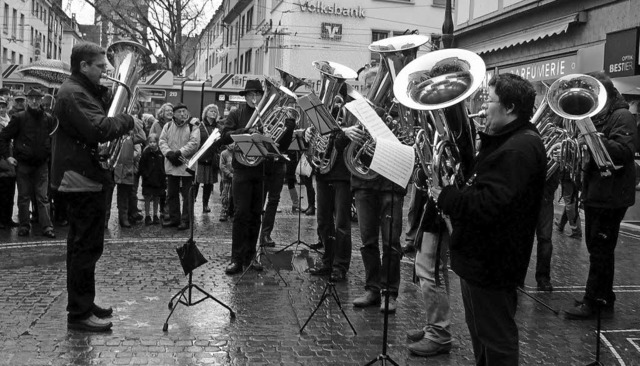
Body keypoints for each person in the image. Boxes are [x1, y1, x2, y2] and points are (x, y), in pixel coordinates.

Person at [433, 73, 546, 364]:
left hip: (493, 263)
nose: (483, 107)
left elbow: (489, 204)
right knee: (482, 336)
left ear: (509, 107)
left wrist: (447, 196)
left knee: (496, 341)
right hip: (479, 260)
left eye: (489, 99)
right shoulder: (506, 141)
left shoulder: (519, 148)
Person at [52, 42, 134, 332]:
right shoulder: (73, 93)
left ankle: (84, 304)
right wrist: (126, 119)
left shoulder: (80, 90)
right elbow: (98, 129)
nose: (105, 71)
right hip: (80, 179)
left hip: (85, 177)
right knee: (84, 249)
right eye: (100, 66)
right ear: (83, 66)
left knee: (85, 247)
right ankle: (79, 313)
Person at [564, 71, 637, 320]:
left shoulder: (622, 116)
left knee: (600, 249)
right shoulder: (604, 116)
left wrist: (595, 138)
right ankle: (604, 295)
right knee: (599, 247)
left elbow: (625, 151)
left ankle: (592, 301)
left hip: (611, 195)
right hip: (599, 192)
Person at [218, 79, 295, 274]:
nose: (254, 98)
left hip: (262, 172)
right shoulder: (236, 113)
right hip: (242, 171)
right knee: (240, 214)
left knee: (255, 215)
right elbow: (225, 135)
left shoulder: (269, 114)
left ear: (262, 96)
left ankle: (251, 256)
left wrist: (288, 127)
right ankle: (236, 258)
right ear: (245, 97)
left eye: (257, 94)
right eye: (250, 95)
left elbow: (281, 146)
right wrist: (247, 131)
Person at [307, 92, 353, 282]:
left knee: (342, 223)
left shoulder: (351, 112)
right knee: (323, 221)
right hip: (323, 172)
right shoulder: (322, 111)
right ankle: (328, 260)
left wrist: (345, 131)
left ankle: (340, 265)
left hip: (342, 173)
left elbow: (349, 139)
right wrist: (308, 133)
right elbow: (316, 137)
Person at [0, 88, 56, 238]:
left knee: (42, 197)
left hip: (41, 164)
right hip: (23, 164)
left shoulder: (48, 118)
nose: (34, 101)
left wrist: (49, 152)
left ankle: (47, 226)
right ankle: (24, 225)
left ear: (41, 99)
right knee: (24, 197)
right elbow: (3, 137)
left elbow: (52, 138)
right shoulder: (19, 118)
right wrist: (7, 156)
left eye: (37, 98)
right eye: (31, 98)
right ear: (27, 100)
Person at [159, 103, 200, 230]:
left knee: (187, 195)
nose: (182, 114)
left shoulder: (193, 126)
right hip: (172, 164)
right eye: (179, 111)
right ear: (174, 114)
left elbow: (194, 143)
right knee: (172, 194)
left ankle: (186, 220)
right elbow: (162, 141)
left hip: (187, 165)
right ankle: (174, 218)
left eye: (184, 111)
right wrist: (169, 153)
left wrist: (180, 153)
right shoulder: (168, 125)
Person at [194, 104, 221, 214]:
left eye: (215, 112)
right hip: (200, 158)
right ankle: (192, 202)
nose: (213, 113)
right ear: (206, 113)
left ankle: (205, 204)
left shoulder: (218, 128)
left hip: (212, 158)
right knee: (196, 182)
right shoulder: (199, 126)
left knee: (209, 184)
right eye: (211, 111)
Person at [139, 133, 166, 225]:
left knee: (156, 198)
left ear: (157, 143)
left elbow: (163, 165)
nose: (152, 144)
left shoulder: (161, 153)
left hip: (158, 180)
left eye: (154, 142)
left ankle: (155, 215)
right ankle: (147, 216)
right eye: (150, 142)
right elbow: (142, 166)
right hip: (148, 180)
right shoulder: (146, 153)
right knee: (147, 198)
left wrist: (163, 176)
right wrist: (146, 175)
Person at [0, 96, 18, 229]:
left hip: (11, 164)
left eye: (3, 106)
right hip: (2, 163)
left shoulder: (10, 121)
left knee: (10, 193)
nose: (1, 109)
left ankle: (8, 218)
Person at [219, 143, 234, 222]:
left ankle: (232, 211)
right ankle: (224, 210)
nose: (232, 145)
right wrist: (229, 174)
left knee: (233, 195)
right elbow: (222, 166)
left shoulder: (237, 153)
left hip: (235, 178)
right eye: (230, 143)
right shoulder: (224, 153)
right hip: (226, 178)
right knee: (225, 194)